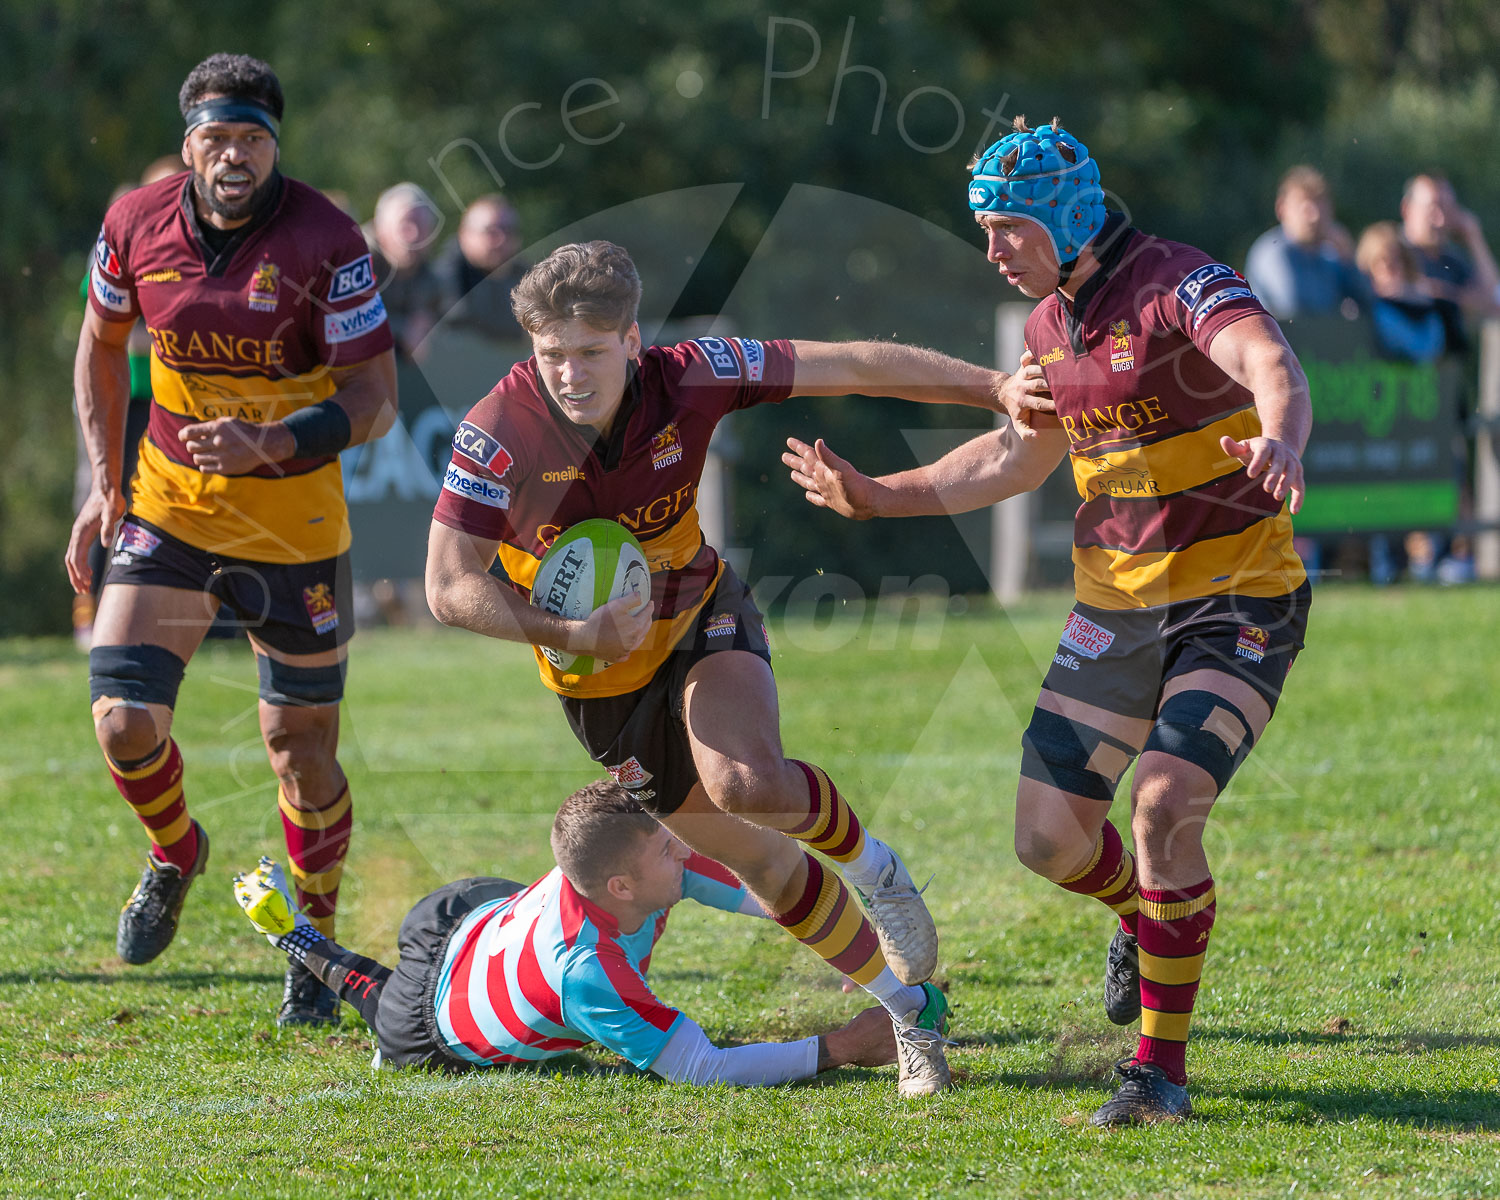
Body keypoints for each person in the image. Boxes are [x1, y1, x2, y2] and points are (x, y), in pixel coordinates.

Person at [786, 117, 1313, 1124]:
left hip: (1236, 597)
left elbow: (1270, 363)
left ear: (1067, 221)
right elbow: (1011, 461)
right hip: (1114, 607)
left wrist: (1282, 437)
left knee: (1160, 805)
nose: (990, 250)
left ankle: (1158, 1072)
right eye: (982, 229)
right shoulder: (1044, 330)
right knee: (1048, 842)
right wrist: (877, 494)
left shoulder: (1175, 284)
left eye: (1006, 229)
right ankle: (1140, 915)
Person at [424, 240, 1042, 1096]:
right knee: (753, 857)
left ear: (633, 340)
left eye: (591, 351)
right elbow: (448, 587)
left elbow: (852, 363)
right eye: (551, 353)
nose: (570, 372)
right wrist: (572, 629)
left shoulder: (693, 375)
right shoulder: (496, 434)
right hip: (597, 683)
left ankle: (876, 871)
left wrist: (993, 386)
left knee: (747, 784)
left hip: (698, 617)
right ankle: (908, 1012)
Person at [67, 53, 398, 1025]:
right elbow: (100, 342)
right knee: (124, 720)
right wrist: (103, 484)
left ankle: (314, 949)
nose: (234, 156)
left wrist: (272, 442)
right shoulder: (134, 224)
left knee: (300, 751)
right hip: (171, 507)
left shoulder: (328, 242)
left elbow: (374, 401)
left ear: (274, 147)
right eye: (217, 138)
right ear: (188, 147)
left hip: (292, 527)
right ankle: (175, 852)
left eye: (252, 138)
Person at [233, 780, 901, 1082]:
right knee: (380, 1001)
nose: (685, 850)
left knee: (494, 926)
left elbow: (772, 893)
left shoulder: (645, 862)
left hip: (470, 911)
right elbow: (702, 1067)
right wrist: (841, 1046)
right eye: (667, 852)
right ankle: (295, 937)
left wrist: (845, 943)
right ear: (621, 889)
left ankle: (305, 941)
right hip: (434, 1018)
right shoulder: (591, 972)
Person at [1243, 166, 1364, 320]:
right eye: (1305, 206)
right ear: (1282, 208)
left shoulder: (1330, 256)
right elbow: (1291, 308)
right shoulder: (1272, 252)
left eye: (1321, 204)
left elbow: (1368, 305)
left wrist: (1349, 260)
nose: (1315, 216)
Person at [1400, 173, 1500, 337]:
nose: (1441, 220)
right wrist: (1461, 299)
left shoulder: (1452, 260)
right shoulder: (1390, 250)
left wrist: (1474, 238)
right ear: (1407, 209)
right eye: (1433, 208)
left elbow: (1495, 301)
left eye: (1447, 209)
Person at [431, 194, 528, 344]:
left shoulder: (523, 273)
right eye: (491, 231)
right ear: (465, 235)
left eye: (508, 231)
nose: (501, 239)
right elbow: (459, 318)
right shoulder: (444, 275)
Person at [368, 181, 444, 356]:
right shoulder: (354, 263)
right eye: (405, 225)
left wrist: (429, 329)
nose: (414, 235)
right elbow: (344, 321)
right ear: (381, 227)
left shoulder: (432, 278)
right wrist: (403, 330)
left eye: (422, 226)